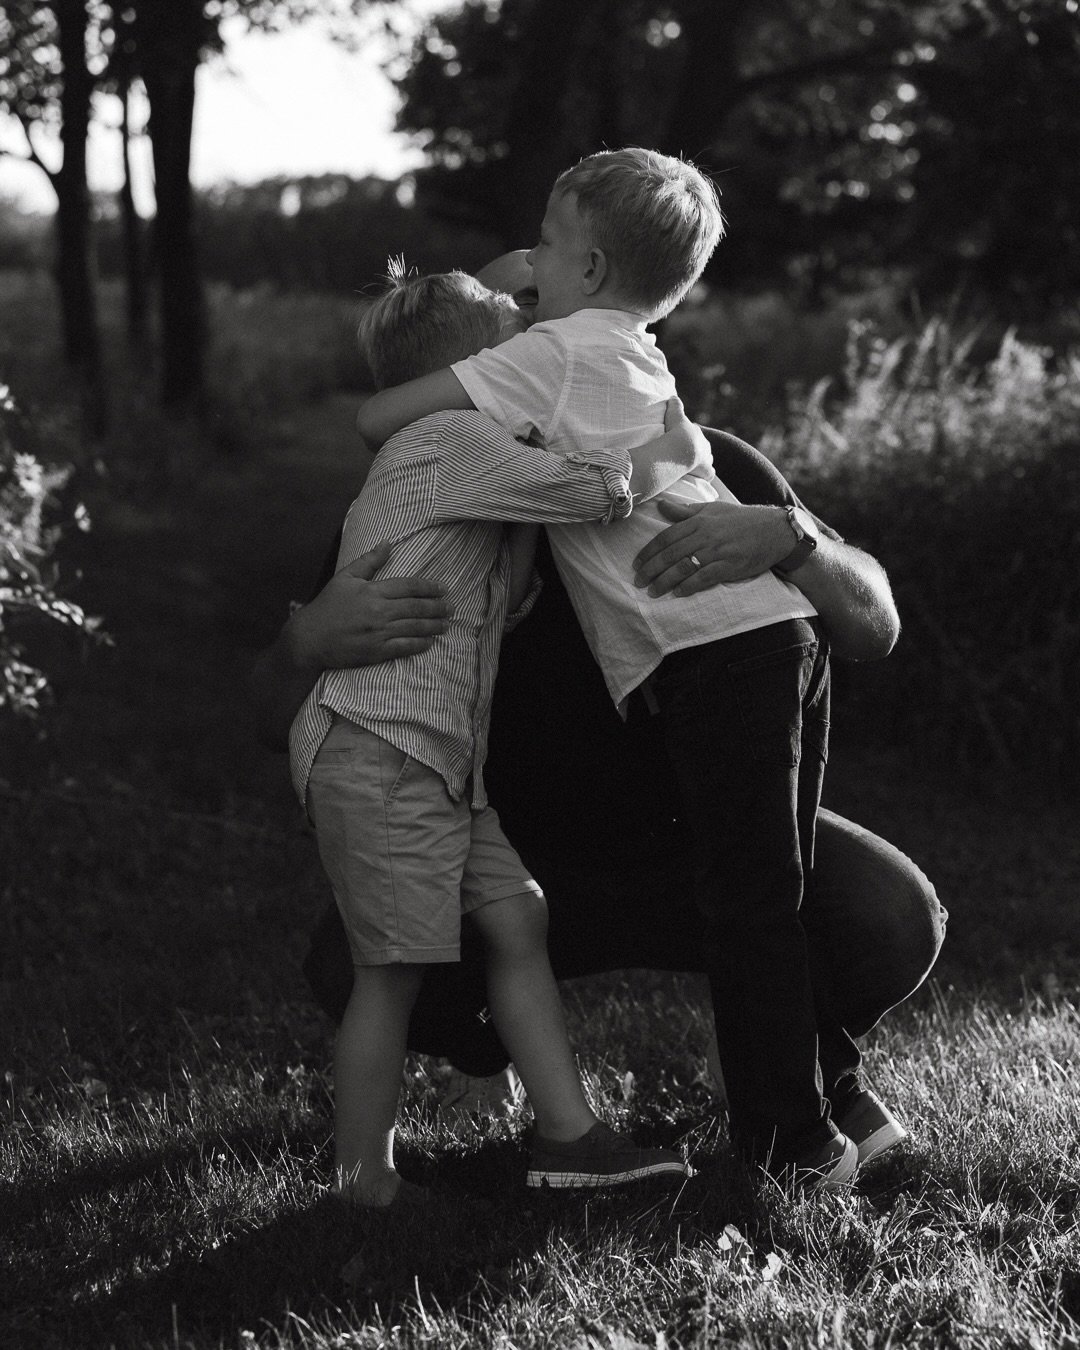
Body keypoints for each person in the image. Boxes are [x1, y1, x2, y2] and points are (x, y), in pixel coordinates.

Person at [250, 266, 946, 1189]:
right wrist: (305, 639)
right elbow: (267, 715)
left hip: (707, 841)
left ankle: (809, 1071)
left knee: (889, 914)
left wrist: (794, 538)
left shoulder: (699, 459)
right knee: (351, 965)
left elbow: (876, 626)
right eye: (514, 324)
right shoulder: (437, 486)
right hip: (512, 848)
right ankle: (490, 1064)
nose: (542, 342)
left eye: (547, 316)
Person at [353, 149, 854, 1185]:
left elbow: (382, 413)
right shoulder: (627, 344)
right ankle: (818, 1120)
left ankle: (797, 1147)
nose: (521, 260)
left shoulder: (555, 354)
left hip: (722, 654)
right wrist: (531, 280)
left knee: (750, 905)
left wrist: (510, 300)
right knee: (765, 897)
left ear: (580, 272)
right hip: (769, 642)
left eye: (544, 237)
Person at [290, 266, 698, 1208]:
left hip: (438, 759)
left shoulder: (467, 451)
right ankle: (365, 1186)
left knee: (517, 917)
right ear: (479, 371)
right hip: (382, 744)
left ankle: (569, 1136)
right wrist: (675, 444)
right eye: (514, 345)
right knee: (388, 976)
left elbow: (509, 598)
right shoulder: (447, 437)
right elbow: (599, 489)